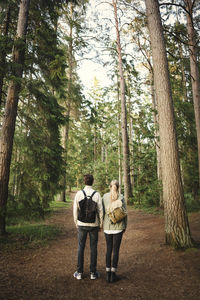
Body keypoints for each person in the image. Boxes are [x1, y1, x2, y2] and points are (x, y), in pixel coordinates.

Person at [73, 174, 103, 280]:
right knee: (93, 248)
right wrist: (101, 224)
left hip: (81, 224)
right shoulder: (97, 194)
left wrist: (76, 222)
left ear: (84, 181)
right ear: (92, 182)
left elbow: (75, 209)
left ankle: (79, 272)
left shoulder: (79, 193)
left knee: (81, 247)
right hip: (93, 225)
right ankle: (93, 273)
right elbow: (100, 210)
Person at [102, 180, 127, 283]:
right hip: (119, 227)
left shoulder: (104, 197)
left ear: (110, 186)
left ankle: (107, 274)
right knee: (116, 250)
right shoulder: (121, 197)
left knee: (108, 249)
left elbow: (102, 212)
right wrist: (125, 226)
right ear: (118, 187)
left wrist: (101, 224)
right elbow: (125, 213)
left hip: (107, 227)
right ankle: (113, 274)